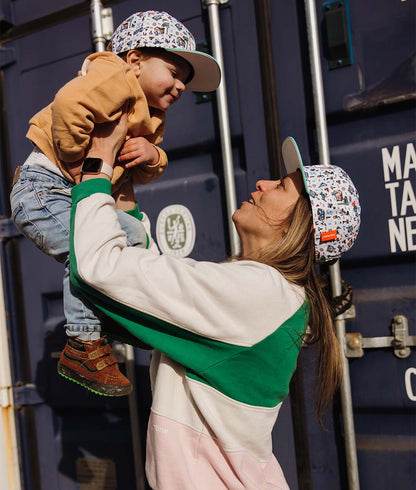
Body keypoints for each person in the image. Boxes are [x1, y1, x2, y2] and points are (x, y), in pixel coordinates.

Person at [66, 114, 361, 489]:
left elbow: (101, 271)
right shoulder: (274, 295)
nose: (262, 183)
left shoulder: (260, 294)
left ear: (296, 225)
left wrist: (97, 166)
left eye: (282, 186)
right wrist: (124, 199)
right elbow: (156, 290)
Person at [9, 11, 221, 397]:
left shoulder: (150, 114)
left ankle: (117, 313)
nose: (179, 87)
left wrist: (153, 156)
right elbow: (67, 104)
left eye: (185, 83)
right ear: (136, 60)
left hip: (69, 192)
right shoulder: (114, 75)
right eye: (173, 72)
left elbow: (134, 175)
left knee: (132, 238)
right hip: (43, 189)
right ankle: (82, 344)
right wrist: (80, 165)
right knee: (88, 251)